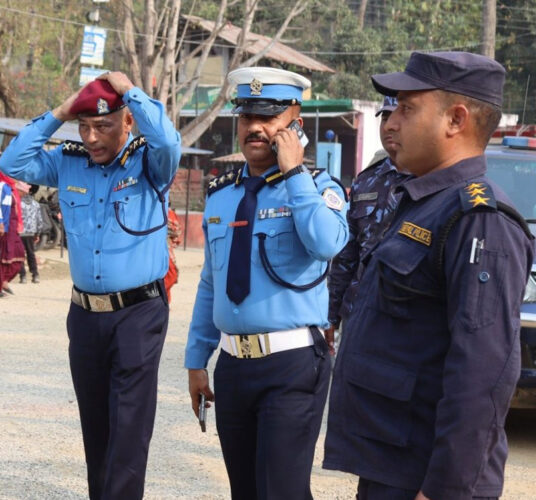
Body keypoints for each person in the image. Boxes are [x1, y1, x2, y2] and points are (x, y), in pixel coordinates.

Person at [323, 51, 535, 500]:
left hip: (426, 480)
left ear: (455, 120)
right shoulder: (422, 203)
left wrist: (444, 489)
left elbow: (483, 374)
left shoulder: (479, 220)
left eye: (407, 108)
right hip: (392, 464)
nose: (391, 123)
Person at [0, 72, 181, 500]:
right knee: (95, 430)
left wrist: (130, 91)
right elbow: (12, 164)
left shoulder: (150, 163)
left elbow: (169, 142)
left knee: (128, 431)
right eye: (83, 127)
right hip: (84, 315)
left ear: (128, 121)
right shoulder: (68, 161)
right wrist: (60, 113)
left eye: (103, 126)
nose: (92, 138)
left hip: (138, 314)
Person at [185, 67, 348, 499]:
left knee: (282, 491)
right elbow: (210, 283)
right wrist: (197, 359)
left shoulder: (318, 188)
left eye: (269, 117)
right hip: (233, 365)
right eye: (246, 116)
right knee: (245, 491)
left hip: (291, 365)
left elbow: (327, 243)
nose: (255, 127)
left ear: (295, 123)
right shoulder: (221, 195)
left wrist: (294, 175)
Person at [325, 96, 411, 352]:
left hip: (407, 323)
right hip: (358, 313)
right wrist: (331, 315)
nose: (390, 125)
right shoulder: (366, 180)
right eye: (385, 117)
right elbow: (346, 256)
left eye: (401, 115)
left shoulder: (434, 181)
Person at [0, 173, 25, 296]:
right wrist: (0, 223)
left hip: (7, 228)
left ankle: (2, 282)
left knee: (16, 253)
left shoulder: (9, 188)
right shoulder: (1, 186)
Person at [18, 182, 41, 284]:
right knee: (31, 253)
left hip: (19, 232)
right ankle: (35, 274)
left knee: (20, 254)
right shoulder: (36, 204)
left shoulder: (18, 202)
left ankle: (23, 276)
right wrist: (38, 233)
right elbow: (39, 220)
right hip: (31, 233)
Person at [163, 204, 181, 303]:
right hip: (160, 249)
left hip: (166, 247)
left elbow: (176, 231)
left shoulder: (169, 213)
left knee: (170, 274)